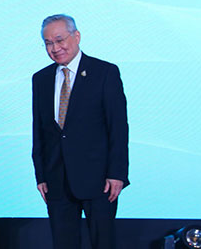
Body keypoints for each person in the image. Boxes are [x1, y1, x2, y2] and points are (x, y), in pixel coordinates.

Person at [31, 14, 129, 249]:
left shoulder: (105, 72)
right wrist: (41, 175)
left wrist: (117, 173)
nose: (55, 48)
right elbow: (39, 131)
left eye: (59, 40)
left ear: (76, 36)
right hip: (56, 179)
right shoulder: (41, 79)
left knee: (103, 242)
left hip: (100, 180)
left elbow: (118, 127)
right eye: (48, 43)